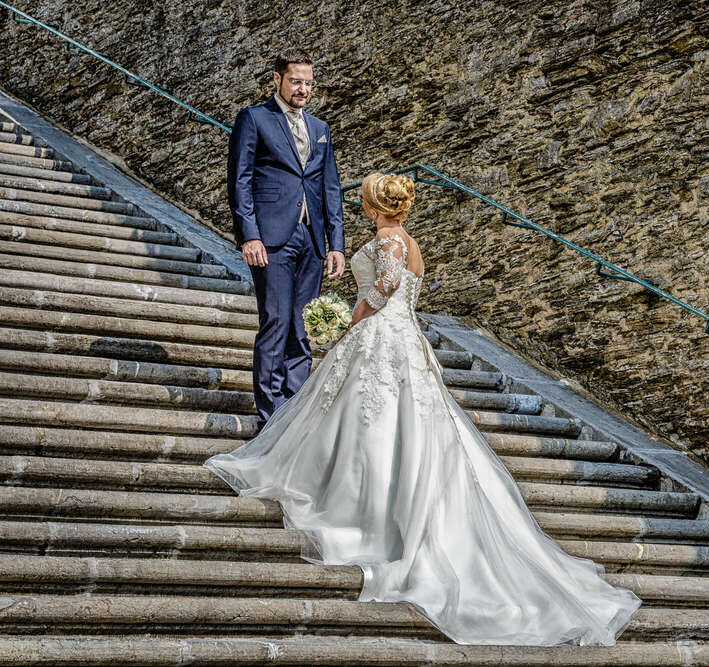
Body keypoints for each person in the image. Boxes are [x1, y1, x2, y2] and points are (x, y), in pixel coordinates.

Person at [204, 173, 640, 646]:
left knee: (372, 421)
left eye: (366, 202)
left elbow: (387, 286)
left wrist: (350, 318)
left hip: (382, 335)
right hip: (404, 337)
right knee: (395, 422)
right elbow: (410, 289)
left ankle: (365, 513)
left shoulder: (389, 239)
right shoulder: (410, 240)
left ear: (372, 207)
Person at [227, 48, 345, 428]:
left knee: (303, 325)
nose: (303, 89)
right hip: (271, 239)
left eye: (309, 83)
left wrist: (335, 244)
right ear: (276, 79)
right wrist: (249, 236)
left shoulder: (321, 129)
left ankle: (293, 411)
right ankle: (270, 415)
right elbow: (240, 180)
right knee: (275, 321)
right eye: (296, 81)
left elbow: (331, 189)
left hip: (310, 240)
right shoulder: (254, 119)